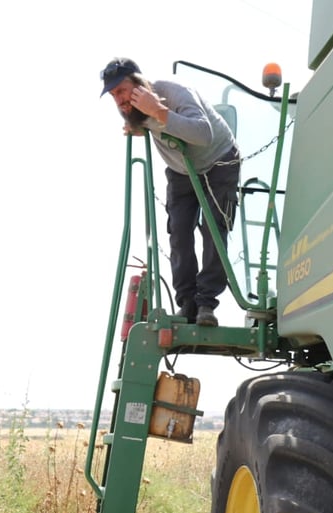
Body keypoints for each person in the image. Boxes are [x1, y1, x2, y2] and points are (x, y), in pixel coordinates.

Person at [101, 57, 241, 327]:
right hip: (181, 169)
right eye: (113, 95)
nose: (119, 100)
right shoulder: (138, 111)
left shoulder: (175, 93)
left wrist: (159, 113)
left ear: (140, 84)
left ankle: (206, 304)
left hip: (219, 160)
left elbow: (204, 134)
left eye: (122, 90)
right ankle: (187, 304)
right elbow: (148, 123)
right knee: (178, 232)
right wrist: (141, 124)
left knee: (213, 228)